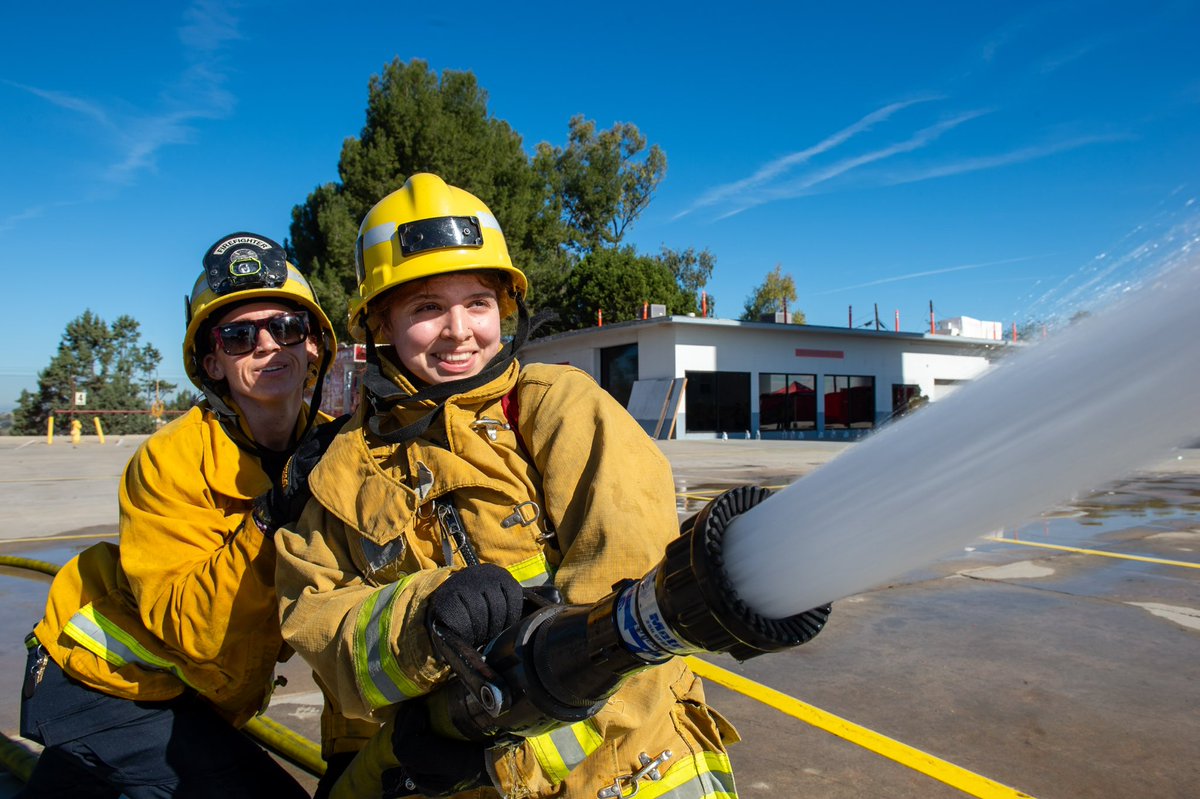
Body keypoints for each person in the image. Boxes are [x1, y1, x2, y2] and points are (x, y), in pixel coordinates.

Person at [274, 174, 743, 799]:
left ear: (504, 307)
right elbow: (319, 623)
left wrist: (494, 746)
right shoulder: (343, 469)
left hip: (627, 770)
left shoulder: (559, 408)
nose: (459, 330)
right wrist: (421, 621)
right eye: (426, 308)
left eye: (477, 302)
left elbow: (627, 610)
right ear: (380, 322)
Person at [17, 232, 363, 798]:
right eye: (237, 336)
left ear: (315, 349)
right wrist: (272, 514)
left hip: (193, 703)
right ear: (212, 364)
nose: (267, 346)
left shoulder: (337, 450)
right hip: (99, 684)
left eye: (287, 327)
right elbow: (193, 631)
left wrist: (353, 754)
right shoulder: (168, 461)